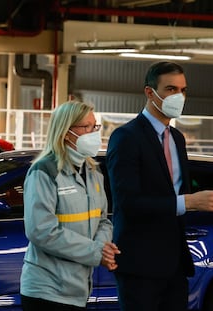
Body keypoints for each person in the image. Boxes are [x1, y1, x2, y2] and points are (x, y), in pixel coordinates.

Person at [106, 61, 213, 311]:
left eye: (183, 90)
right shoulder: (126, 138)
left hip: (175, 265)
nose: (179, 97)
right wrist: (188, 202)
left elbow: (179, 190)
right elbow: (128, 202)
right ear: (149, 92)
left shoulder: (177, 138)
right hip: (140, 265)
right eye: (171, 89)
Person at [20, 101, 120, 311]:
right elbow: (41, 231)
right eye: (87, 127)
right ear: (66, 132)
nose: (94, 133)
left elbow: (103, 221)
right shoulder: (43, 171)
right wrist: (96, 251)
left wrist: (103, 248)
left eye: (95, 126)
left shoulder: (93, 172)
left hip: (78, 289)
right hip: (46, 290)